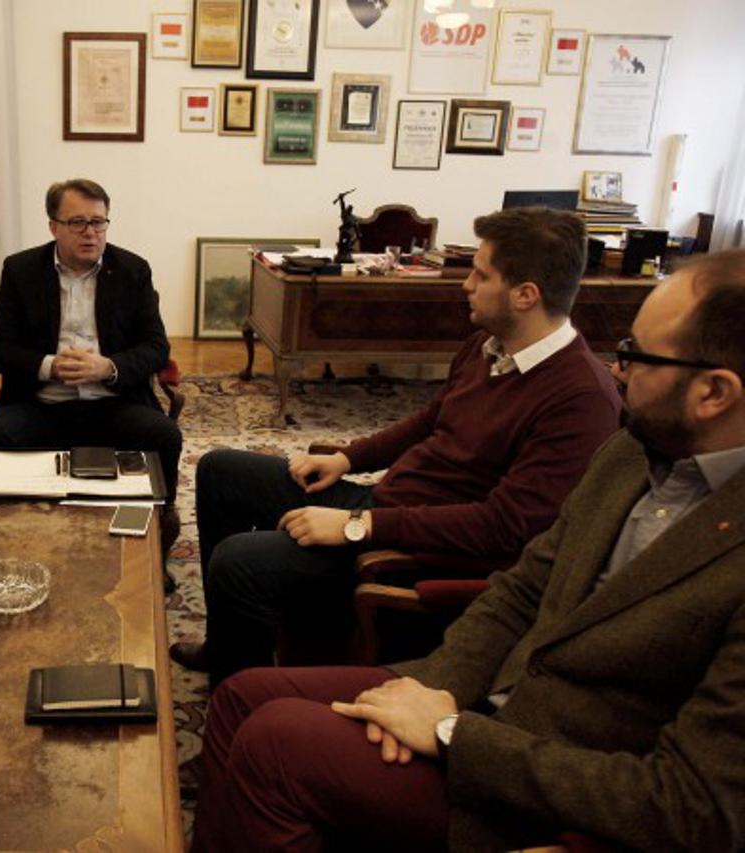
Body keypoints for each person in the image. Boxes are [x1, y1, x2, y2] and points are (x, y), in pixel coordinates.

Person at [191, 249, 745, 852]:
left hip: (534, 781)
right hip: (480, 697)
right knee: (241, 697)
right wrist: (440, 687)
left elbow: (691, 808)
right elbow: (522, 589)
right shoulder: (632, 455)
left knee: (275, 738)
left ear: (713, 392)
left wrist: (453, 734)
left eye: (636, 356)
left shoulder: (593, 409)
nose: (617, 368)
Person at [174, 207, 622, 684]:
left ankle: (241, 697)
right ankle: (229, 647)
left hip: (420, 551)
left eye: (481, 274)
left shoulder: (580, 400)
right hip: (387, 508)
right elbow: (431, 421)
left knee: (239, 561)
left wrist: (358, 526)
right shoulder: (487, 345)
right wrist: (349, 457)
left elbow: (502, 527)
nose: (466, 284)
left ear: (525, 295)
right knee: (222, 470)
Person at [0, 178, 183, 552]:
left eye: (98, 222)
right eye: (78, 222)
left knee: (164, 435)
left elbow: (156, 347)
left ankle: (154, 538)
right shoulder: (21, 271)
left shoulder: (132, 271)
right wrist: (49, 366)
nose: (91, 232)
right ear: (53, 226)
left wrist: (108, 368)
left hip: (114, 403)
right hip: (41, 404)